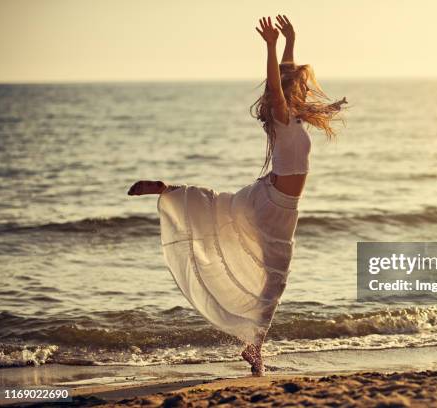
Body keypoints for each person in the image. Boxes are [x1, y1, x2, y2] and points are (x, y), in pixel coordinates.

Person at [128, 15, 346, 376]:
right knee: (272, 276)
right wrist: (272, 45)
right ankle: (254, 350)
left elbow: (287, 78)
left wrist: (291, 41)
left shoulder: (293, 117)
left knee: (227, 218)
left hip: (279, 203)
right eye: (300, 88)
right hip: (274, 203)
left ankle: (254, 348)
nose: (305, 92)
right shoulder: (280, 112)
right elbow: (278, 86)